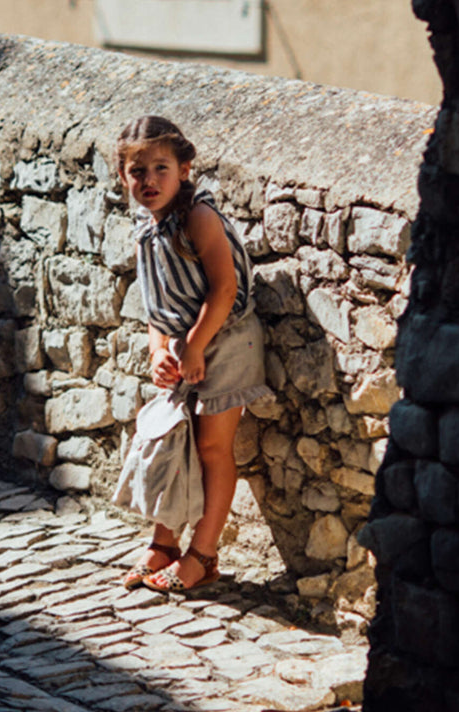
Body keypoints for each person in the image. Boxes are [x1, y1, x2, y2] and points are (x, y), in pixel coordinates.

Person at [114, 115, 271, 592]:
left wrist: (196, 347)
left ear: (184, 169)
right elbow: (155, 305)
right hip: (187, 346)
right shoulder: (149, 227)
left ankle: (203, 555)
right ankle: (164, 545)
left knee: (211, 448)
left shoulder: (198, 218)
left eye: (161, 168)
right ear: (123, 177)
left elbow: (224, 290)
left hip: (227, 340)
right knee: (176, 442)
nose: (149, 181)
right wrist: (159, 350)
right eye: (137, 172)